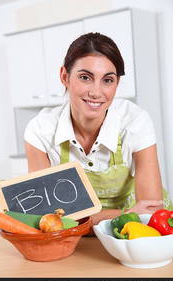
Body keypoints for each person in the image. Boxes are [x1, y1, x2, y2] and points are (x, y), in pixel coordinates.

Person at [24, 32, 172, 226]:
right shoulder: (40, 131)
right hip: (79, 238)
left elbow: (150, 213)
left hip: (137, 234)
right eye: (85, 77)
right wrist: (125, 213)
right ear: (64, 76)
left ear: (117, 83)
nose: (95, 92)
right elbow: (47, 220)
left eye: (108, 80)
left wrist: (81, 219)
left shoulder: (135, 122)